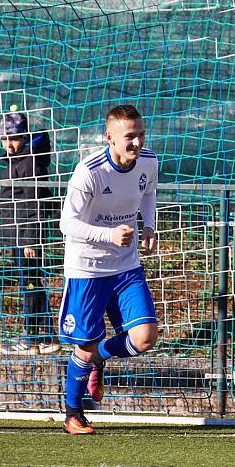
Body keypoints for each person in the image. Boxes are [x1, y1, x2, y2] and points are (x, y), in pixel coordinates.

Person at [58, 104, 159, 435]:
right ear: (110, 138)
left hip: (126, 265)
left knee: (145, 338)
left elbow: (148, 193)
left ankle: (101, 356)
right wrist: (109, 234)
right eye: (130, 137)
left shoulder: (148, 162)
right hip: (87, 268)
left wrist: (149, 227)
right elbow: (66, 223)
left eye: (140, 134)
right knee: (82, 347)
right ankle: (74, 414)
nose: (137, 143)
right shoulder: (89, 171)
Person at [0, 111, 61, 356]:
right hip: (16, 234)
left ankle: (34, 339)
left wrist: (30, 239)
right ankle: (46, 337)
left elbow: (34, 201)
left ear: (24, 136)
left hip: (26, 237)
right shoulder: (17, 159)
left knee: (31, 284)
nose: (8, 144)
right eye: (3, 139)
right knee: (30, 284)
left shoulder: (30, 162)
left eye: (12, 138)